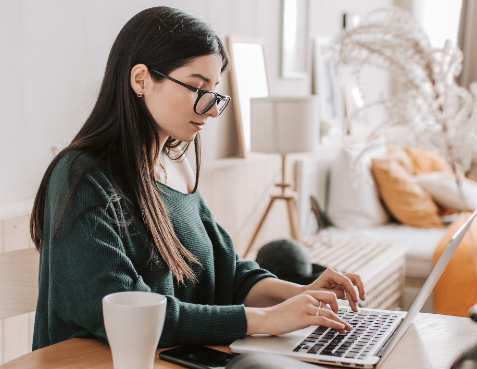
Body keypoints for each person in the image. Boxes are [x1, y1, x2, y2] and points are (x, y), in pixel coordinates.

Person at [29, 6, 365, 350]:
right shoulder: (81, 178)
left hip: (175, 364)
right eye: (196, 88)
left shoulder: (177, 166)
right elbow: (129, 314)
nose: (212, 109)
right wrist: (265, 320)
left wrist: (305, 295)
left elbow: (228, 274)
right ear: (141, 79)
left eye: (215, 92)